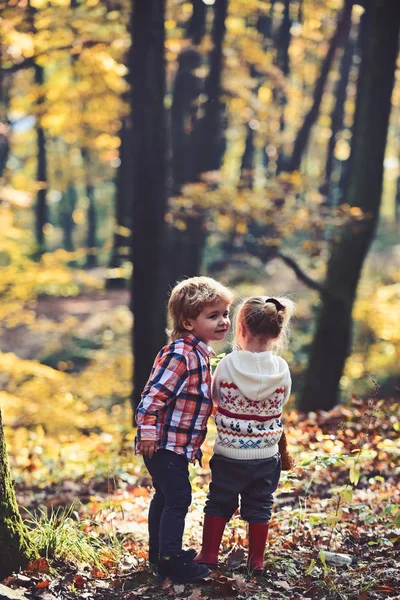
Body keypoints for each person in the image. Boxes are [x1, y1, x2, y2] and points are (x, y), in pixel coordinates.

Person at [135, 276, 233, 584]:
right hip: (163, 444)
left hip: (175, 445)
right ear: (188, 322)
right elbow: (151, 397)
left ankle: (159, 552)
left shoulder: (201, 353)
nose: (223, 321)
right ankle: (170, 560)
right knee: (178, 498)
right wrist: (148, 432)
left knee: (164, 497)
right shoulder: (180, 354)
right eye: (213, 315)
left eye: (225, 314)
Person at [194, 295, 295, 574]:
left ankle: (209, 554)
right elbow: (283, 399)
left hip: (229, 453)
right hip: (266, 455)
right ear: (277, 333)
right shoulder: (282, 369)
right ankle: (256, 560)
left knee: (218, 501)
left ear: (241, 328)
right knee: (261, 505)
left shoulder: (227, 365)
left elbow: (214, 396)